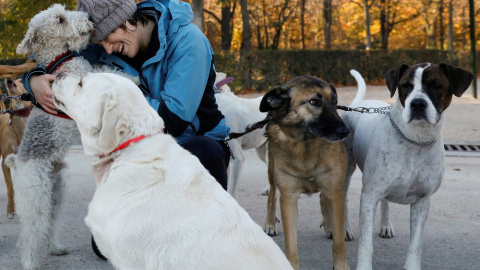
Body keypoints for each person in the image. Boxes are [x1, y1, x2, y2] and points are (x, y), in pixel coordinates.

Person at [24, 0, 231, 190]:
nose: (107, 49)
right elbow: (44, 53)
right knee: (105, 221)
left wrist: (115, 98)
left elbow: (173, 120)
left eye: (107, 38)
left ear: (128, 20)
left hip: (190, 140)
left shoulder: (188, 41)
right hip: (136, 147)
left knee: (205, 151)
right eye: (99, 43)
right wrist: (33, 80)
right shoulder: (107, 46)